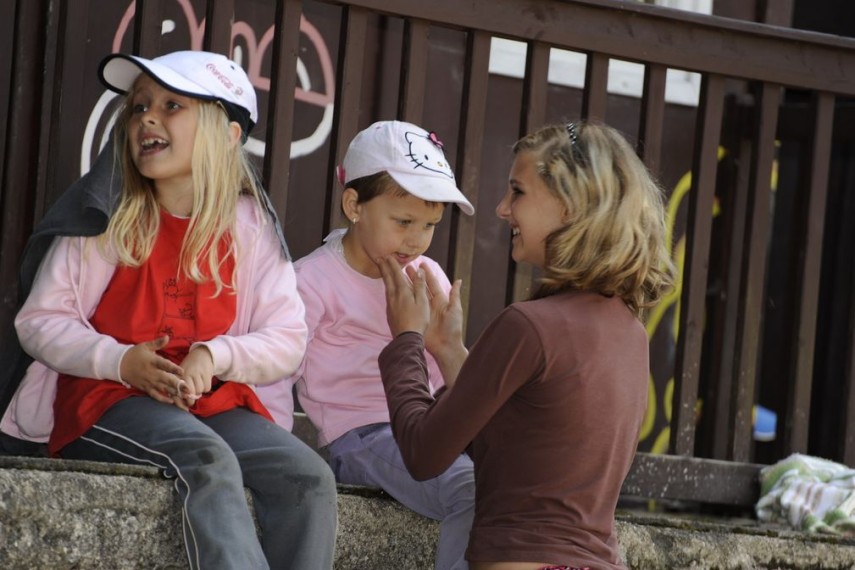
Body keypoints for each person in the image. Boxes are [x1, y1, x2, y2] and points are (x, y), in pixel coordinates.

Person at [0, 50, 337, 569]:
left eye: (171, 105)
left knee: (308, 477)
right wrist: (121, 361)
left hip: (210, 402)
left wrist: (215, 355)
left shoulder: (250, 226)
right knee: (206, 459)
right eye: (139, 107)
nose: (148, 119)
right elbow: (40, 321)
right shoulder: (107, 214)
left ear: (228, 135)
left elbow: (288, 338)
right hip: (107, 398)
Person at [376, 121, 676, 570]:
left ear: (570, 206)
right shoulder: (629, 332)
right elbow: (522, 441)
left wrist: (407, 340)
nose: (502, 209)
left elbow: (423, 453)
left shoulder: (528, 326)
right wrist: (451, 351)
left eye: (517, 192)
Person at [257, 120, 476, 570]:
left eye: (430, 225)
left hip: (427, 429)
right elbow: (276, 373)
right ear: (354, 205)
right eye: (404, 221)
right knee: (471, 489)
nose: (416, 239)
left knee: (514, 480)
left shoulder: (427, 274)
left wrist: (449, 348)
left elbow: (446, 382)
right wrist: (271, 452)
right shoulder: (311, 281)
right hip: (361, 436)